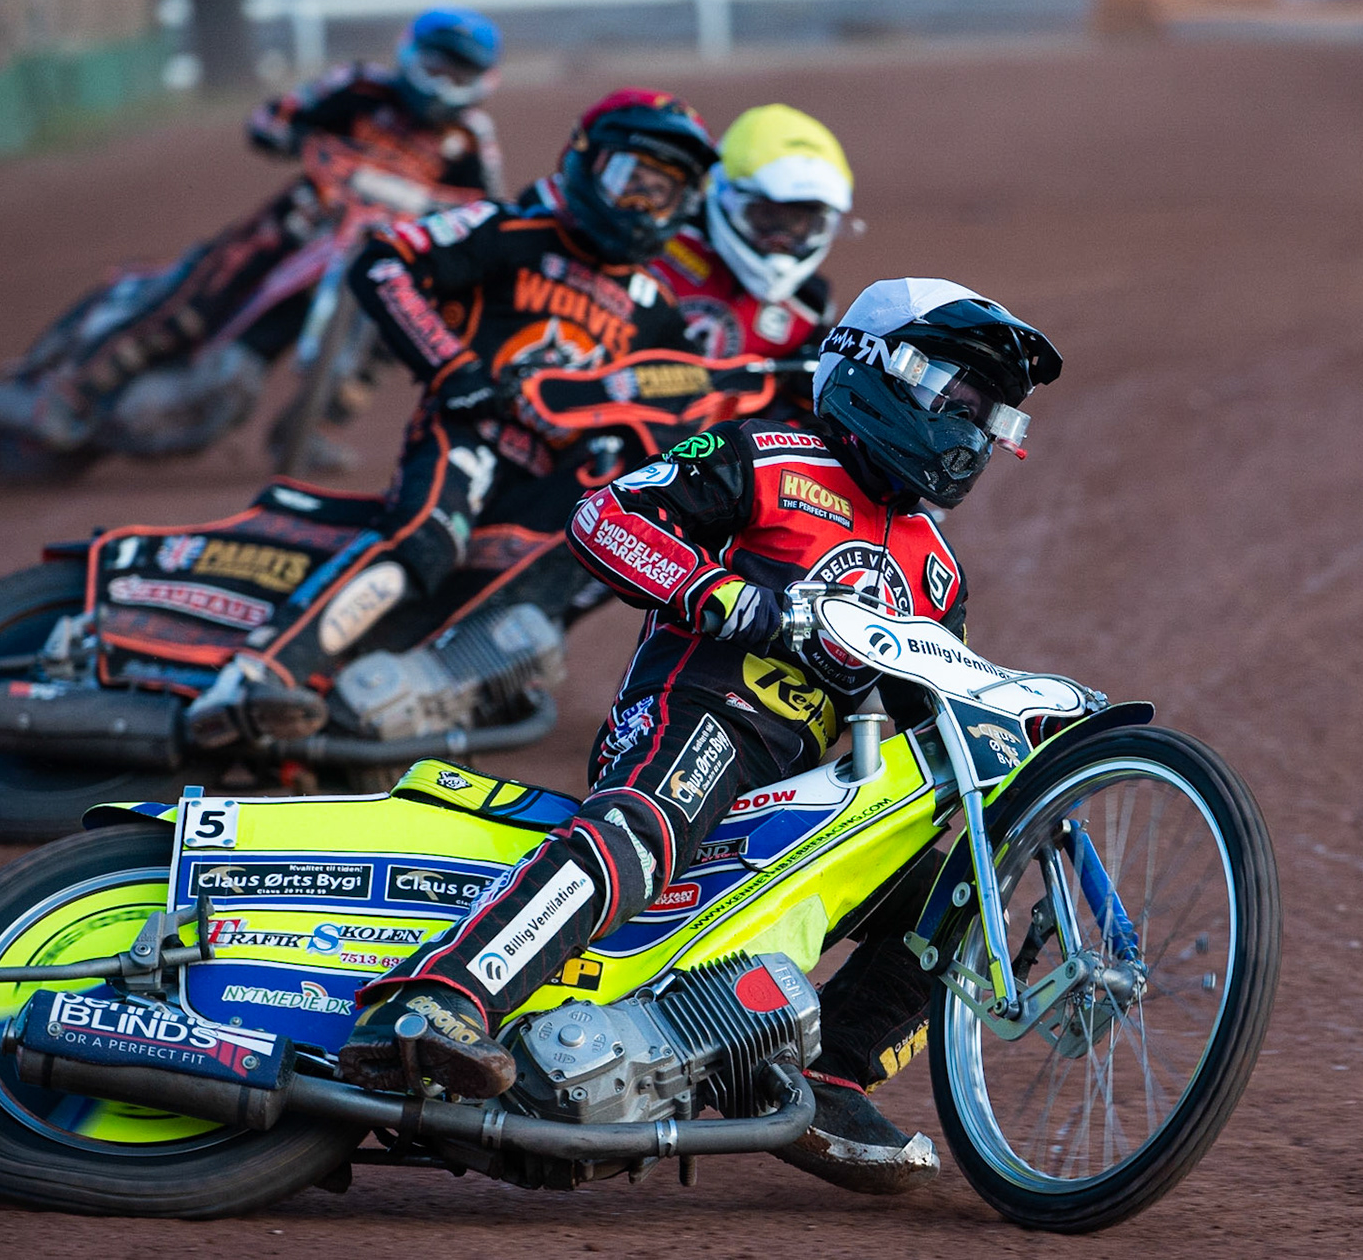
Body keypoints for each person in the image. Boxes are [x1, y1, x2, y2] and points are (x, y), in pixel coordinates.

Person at [335, 277, 1063, 1195]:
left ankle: (830, 1073)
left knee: (956, 874)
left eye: (986, 417)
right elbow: (607, 515)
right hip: (698, 713)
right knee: (653, 823)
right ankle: (438, 999)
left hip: (790, 786)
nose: (969, 432)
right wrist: (725, 598)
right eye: (956, 400)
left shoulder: (940, 574)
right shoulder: (770, 452)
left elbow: (933, 723)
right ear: (880, 370)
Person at [185, 88, 719, 749]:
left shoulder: (659, 311)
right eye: (630, 180)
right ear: (585, 161)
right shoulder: (508, 228)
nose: (640, 203)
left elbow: (678, 419)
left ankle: (365, 708)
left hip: (544, 486)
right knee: (425, 543)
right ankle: (251, 674)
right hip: (469, 433)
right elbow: (384, 263)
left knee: (495, 604)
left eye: (661, 193)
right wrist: (454, 370)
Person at [0, 9, 505, 468]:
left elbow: (489, 207)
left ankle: (307, 432)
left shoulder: (471, 137)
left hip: (378, 252)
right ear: (408, 54)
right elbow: (272, 116)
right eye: (436, 67)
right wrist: (296, 138)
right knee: (193, 307)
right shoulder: (360, 88)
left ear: (481, 81)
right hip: (297, 228)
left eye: (459, 74)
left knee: (398, 336)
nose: (443, 84)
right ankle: (75, 391)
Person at [649, 103, 852, 417]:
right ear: (725, 196)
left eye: (800, 224)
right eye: (767, 216)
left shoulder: (809, 309)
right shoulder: (655, 251)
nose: (781, 242)